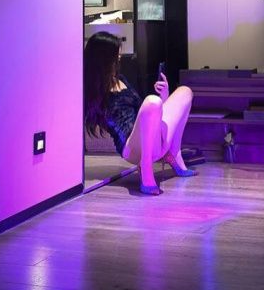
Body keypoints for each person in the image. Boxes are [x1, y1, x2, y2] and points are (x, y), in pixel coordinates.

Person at [84, 32, 196, 195]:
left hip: (153, 140)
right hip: (132, 148)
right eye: (116, 55)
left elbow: (146, 113)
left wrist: (164, 96)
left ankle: (174, 154)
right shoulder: (92, 91)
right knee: (152, 101)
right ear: (104, 59)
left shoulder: (120, 79)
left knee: (185, 91)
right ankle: (146, 170)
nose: (120, 58)